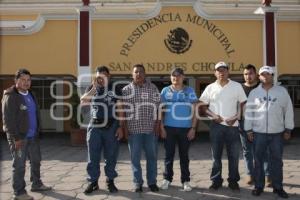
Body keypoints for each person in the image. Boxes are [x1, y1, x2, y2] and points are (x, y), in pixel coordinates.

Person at [244, 66, 294, 198]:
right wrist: (248, 129)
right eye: (262, 74)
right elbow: (249, 112)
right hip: (258, 133)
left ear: (272, 76)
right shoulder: (254, 93)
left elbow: (288, 111)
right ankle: (259, 186)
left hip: (277, 133)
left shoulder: (282, 91)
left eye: (268, 74)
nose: (265, 76)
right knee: (258, 160)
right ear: (259, 77)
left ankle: (278, 187)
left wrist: (288, 128)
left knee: (277, 161)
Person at [2, 69, 51, 200]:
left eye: (28, 80)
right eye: (23, 80)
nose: (26, 82)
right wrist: (16, 138)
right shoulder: (10, 96)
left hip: (33, 136)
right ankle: (19, 192)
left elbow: (34, 114)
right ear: (16, 81)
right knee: (19, 165)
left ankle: (36, 184)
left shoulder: (31, 94)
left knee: (36, 161)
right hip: (19, 138)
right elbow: (7, 120)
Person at [199, 61, 247, 191]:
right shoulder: (210, 87)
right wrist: (213, 116)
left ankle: (233, 181)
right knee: (216, 156)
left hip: (233, 126)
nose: (221, 72)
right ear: (215, 73)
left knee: (234, 155)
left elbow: (243, 104)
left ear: (228, 71)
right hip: (216, 126)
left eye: (224, 70)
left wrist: (237, 116)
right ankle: (216, 180)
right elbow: (202, 106)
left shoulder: (236, 86)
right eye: (218, 70)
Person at [80, 66, 124, 194]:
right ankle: (93, 182)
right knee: (93, 156)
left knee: (111, 155)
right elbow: (83, 101)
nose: (101, 78)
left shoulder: (115, 88)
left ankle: (110, 181)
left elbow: (120, 108)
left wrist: (121, 126)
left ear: (109, 76)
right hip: (94, 127)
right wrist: (93, 89)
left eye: (104, 75)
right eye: (99, 76)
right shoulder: (92, 88)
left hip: (111, 126)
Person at [122, 64, 161, 192]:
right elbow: (123, 111)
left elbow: (159, 108)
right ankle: (137, 183)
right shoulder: (126, 90)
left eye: (141, 72)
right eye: (136, 72)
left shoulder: (153, 88)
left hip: (150, 130)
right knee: (135, 158)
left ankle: (152, 182)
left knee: (152, 157)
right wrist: (124, 128)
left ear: (145, 74)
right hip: (134, 130)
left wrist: (157, 125)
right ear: (132, 75)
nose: (138, 74)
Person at [159, 67, 198, 191]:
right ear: (171, 77)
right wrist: (161, 127)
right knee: (168, 156)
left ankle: (185, 180)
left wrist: (193, 128)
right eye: (173, 76)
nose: (176, 78)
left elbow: (195, 111)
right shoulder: (165, 91)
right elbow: (160, 110)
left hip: (185, 129)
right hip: (169, 128)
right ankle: (167, 179)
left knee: (184, 157)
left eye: (178, 75)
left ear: (183, 77)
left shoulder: (189, 90)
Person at [240, 64, 271, 186]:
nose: (248, 76)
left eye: (251, 73)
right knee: (247, 151)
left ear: (256, 75)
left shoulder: (262, 88)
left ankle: (268, 175)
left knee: (264, 150)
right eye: (246, 74)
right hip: (243, 123)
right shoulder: (239, 89)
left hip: (260, 123)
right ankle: (249, 174)